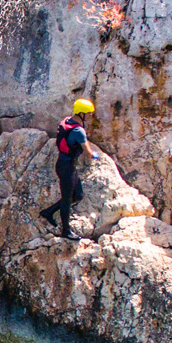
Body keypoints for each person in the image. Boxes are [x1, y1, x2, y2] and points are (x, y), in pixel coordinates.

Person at [40, 98, 99, 240]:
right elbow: (88, 152)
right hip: (66, 167)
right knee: (67, 199)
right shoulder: (78, 131)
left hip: (65, 164)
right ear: (82, 114)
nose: (91, 116)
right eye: (89, 113)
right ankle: (66, 231)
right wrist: (94, 155)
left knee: (78, 195)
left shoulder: (67, 121)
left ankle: (49, 212)